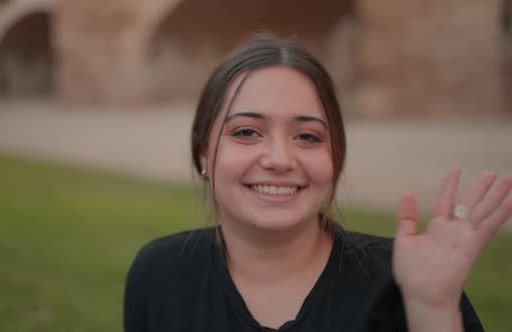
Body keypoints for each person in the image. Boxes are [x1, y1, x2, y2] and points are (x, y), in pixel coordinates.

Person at [123, 35, 512, 332]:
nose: (279, 159)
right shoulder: (159, 276)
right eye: (246, 132)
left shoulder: (410, 281)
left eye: (308, 136)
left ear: (336, 157)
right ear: (205, 153)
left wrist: (433, 309)